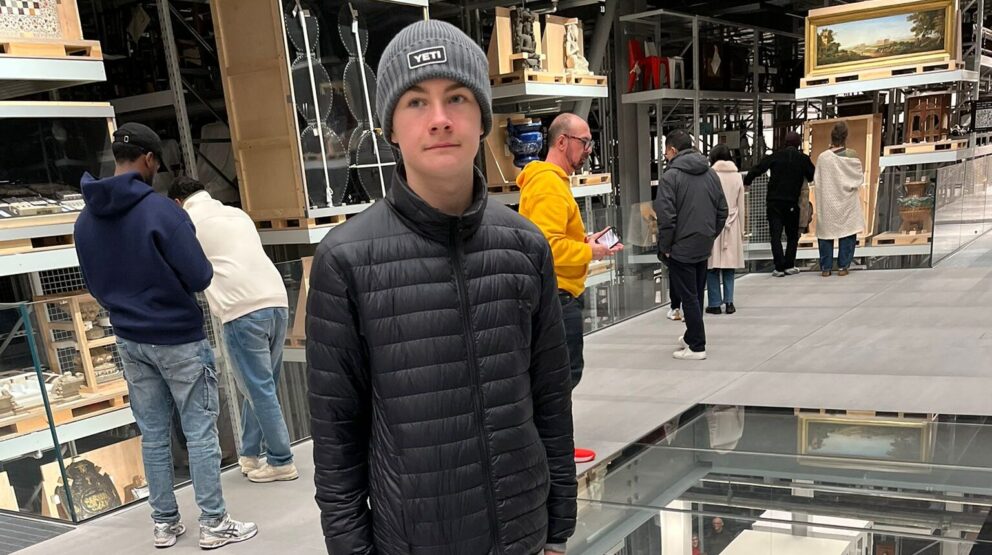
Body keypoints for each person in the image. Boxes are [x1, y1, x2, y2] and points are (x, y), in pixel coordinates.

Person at [306, 20, 576, 555]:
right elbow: (337, 437)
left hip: (522, 534)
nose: (439, 119)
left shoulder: (524, 247)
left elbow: (550, 398)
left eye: (456, 97)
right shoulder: (346, 260)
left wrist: (558, 527)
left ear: (481, 118)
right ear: (390, 126)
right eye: (415, 102)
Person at [73, 123, 256, 549]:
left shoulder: (85, 220)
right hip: (178, 338)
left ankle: (165, 523)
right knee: (199, 431)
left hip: (129, 340)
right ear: (150, 160)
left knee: (153, 435)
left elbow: (95, 286)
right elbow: (200, 275)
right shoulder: (163, 212)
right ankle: (213, 523)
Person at [167, 177, 298, 484]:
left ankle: (281, 460)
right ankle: (250, 454)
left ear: (176, 203)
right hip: (277, 302)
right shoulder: (237, 214)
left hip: (241, 310)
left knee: (257, 389)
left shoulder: (187, 222)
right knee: (260, 387)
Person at [517, 112, 622, 392]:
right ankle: (555, 437)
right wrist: (591, 252)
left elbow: (554, 237)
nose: (588, 150)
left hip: (561, 295)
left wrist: (587, 242)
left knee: (561, 377)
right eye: (584, 142)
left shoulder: (554, 182)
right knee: (561, 379)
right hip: (557, 298)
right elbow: (548, 247)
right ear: (562, 142)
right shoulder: (548, 185)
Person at [655, 129, 728, 360]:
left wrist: (665, 246)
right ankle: (691, 335)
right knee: (697, 292)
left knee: (689, 297)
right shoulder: (710, 174)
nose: (665, 156)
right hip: (703, 244)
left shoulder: (670, 177)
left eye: (665, 151)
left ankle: (697, 345)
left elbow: (666, 216)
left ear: (673, 150)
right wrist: (709, 234)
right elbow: (722, 210)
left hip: (681, 247)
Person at [744, 131, 815, 277]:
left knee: (775, 235)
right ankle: (789, 265)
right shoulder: (802, 159)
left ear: (785, 143)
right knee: (792, 236)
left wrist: (747, 181)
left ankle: (779, 266)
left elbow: (759, 168)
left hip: (774, 202)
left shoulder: (775, 156)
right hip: (791, 202)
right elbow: (812, 175)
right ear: (798, 144)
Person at [813, 121, 864, 277]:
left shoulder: (823, 157)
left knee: (826, 233)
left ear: (832, 137)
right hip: (847, 201)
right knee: (847, 232)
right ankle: (843, 267)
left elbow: (818, 180)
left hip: (828, 201)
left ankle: (826, 268)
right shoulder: (852, 155)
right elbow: (858, 178)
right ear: (845, 137)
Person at [705, 145, 745, 315]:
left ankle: (714, 304)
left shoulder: (710, 175)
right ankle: (729, 302)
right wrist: (742, 230)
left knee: (712, 267)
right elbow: (741, 206)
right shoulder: (737, 176)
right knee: (729, 267)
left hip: (714, 224)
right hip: (733, 224)